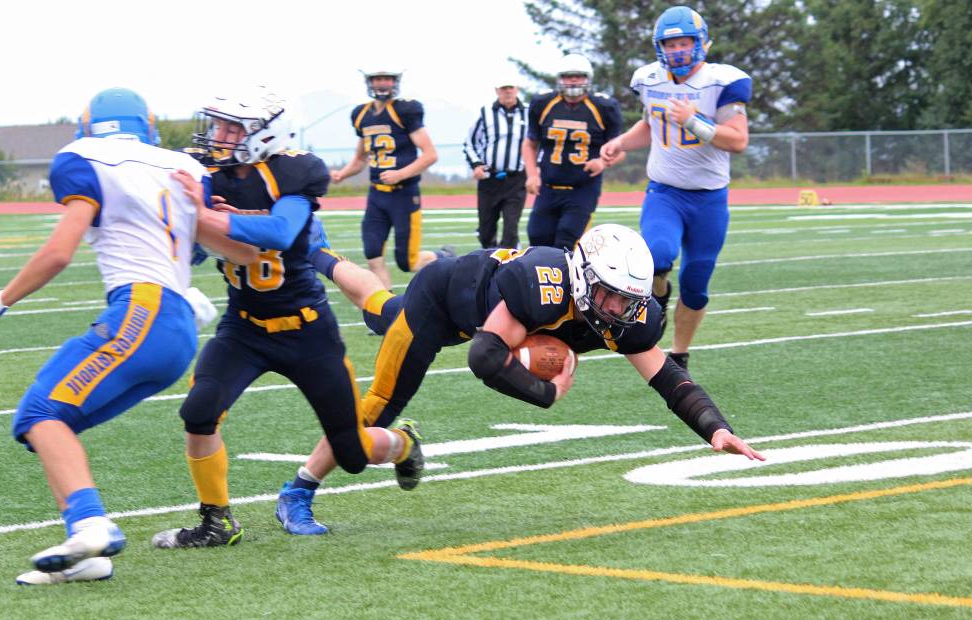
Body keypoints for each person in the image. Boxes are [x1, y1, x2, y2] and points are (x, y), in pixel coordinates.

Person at [0, 88, 280, 585]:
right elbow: (240, 253)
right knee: (52, 425)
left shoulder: (84, 158)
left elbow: (59, 252)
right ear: (148, 126)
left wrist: (1, 299)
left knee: (40, 413)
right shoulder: (182, 167)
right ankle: (86, 556)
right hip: (177, 329)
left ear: (89, 127)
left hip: (141, 311)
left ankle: (90, 525)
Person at [285, 223, 764, 533]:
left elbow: (669, 379)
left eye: (629, 300)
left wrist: (715, 427)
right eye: (610, 296)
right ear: (582, 277)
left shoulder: (624, 314)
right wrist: (546, 393)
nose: (620, 311)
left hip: (485, 311)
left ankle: (318, 254)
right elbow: (484, 356)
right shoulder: (545, 287)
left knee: (382, 309)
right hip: (444, 302)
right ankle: (298, 492)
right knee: (369, 413)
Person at [150, 88, 424, 549]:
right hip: (243, 328)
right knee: (198, 412)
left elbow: (280, 231)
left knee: (352, 453)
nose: (219, 135)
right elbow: (184, 232)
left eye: (233, 128)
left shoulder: (296, 173)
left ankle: (402, 443)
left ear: (267, 134)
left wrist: (206, 218)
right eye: (219, 125)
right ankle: (217, 521)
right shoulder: (210, 173)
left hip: (307, 332)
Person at [601, 6, 751, 370]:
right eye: (670, 44)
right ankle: (657, 302)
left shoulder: (722, 81)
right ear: (659, 47)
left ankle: (680, 353)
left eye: (685, 42)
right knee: (656, 256)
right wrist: (620, 142)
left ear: (702, 43)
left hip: (710, 198)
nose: (678, 50)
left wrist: (694, 121)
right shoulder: (649, 79)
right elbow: (650, 125)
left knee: (696, 281)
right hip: (665, 192)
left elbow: (738, 140)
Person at [329, 69, 450, 289]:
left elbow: (430, 154)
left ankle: (445, 258)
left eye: (387, 79)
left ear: (395, 82)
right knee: (373, 255)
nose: (382, 83)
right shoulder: (361, 114)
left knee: (408, 262)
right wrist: (342, 173)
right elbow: (360, 158)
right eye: (377, 79)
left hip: (404, 195)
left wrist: (400, 174)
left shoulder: (405, 110)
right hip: (376, 196)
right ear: (370, 82)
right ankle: (388, 309)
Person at [522, 54, 623, 250]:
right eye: (568, 76)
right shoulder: (543, 103)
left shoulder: (603, 107)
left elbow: (620, 149)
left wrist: (603, 163)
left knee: (567, 240)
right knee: (537, 236)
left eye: (579, 75)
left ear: (588, 78)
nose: (574, 80)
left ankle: (571, 281)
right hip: (549, 186)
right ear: (560, 78)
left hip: (582, 188)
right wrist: (532, 174)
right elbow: (530, 143)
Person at [463, 72, 528, 249]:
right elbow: (470, 143)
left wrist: (534, 170)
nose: (507, 91)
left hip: (516, 179)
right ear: (496, 91)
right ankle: (489, 257)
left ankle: (507, 265)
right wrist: (476, 165)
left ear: (517, 89)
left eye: (510, 87)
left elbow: (537, 144)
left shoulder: (529, 113)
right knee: (486, 231)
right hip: (489, 179)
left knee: (510, 228)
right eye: (503, 88)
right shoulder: (485, 113)